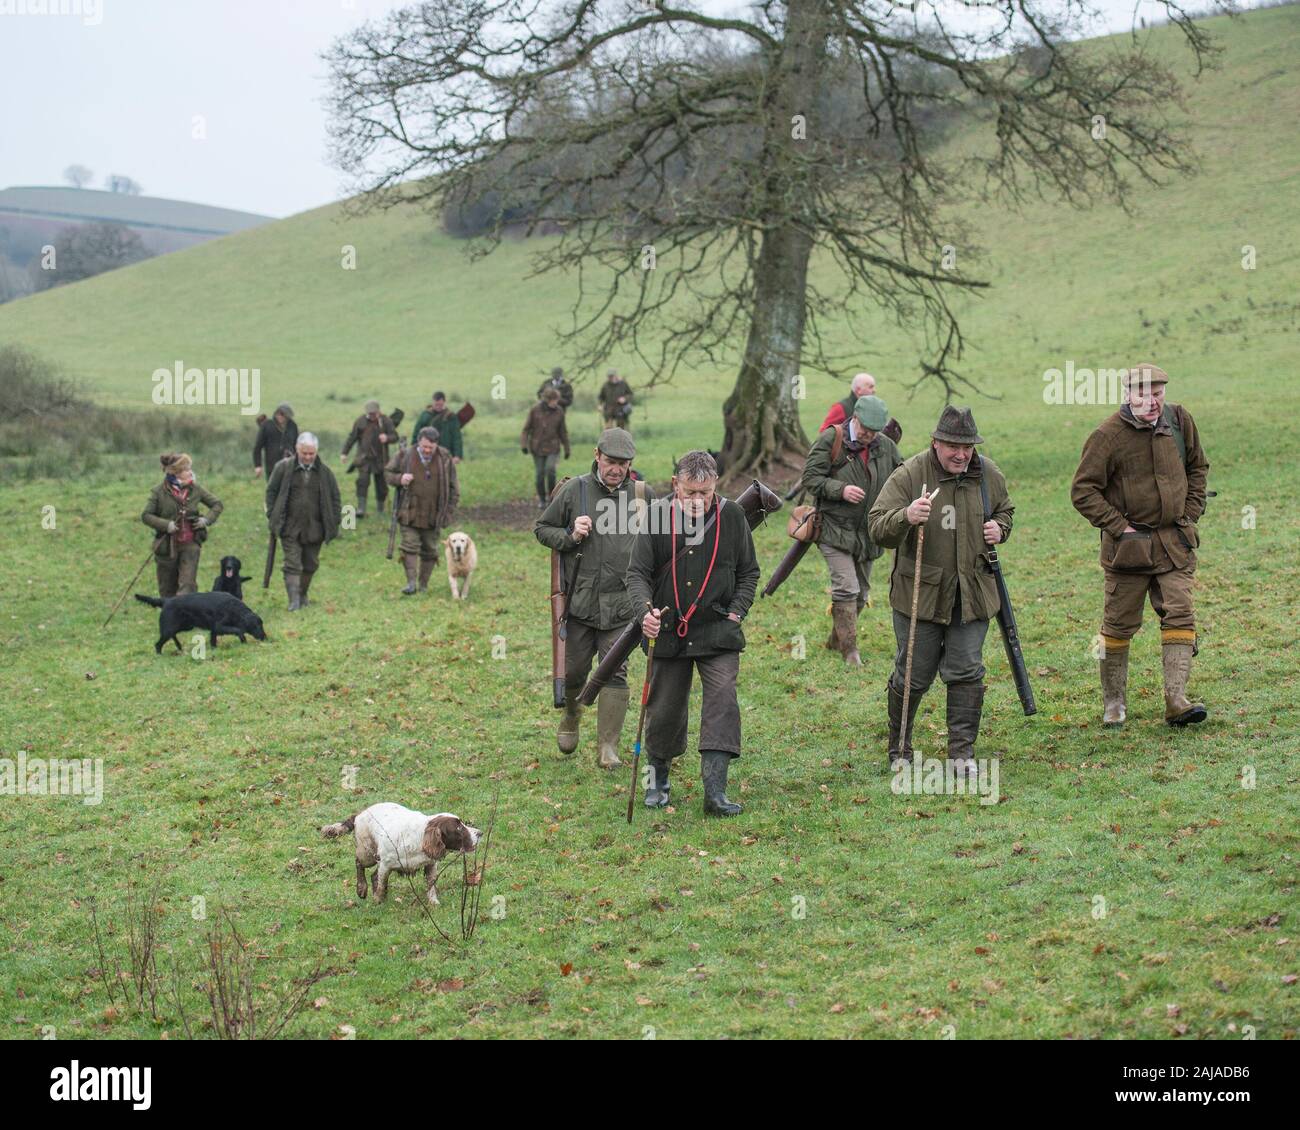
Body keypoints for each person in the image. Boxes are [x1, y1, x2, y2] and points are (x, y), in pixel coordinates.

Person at [868, 407, 1014, 774]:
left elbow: (1005, 510)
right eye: (952, 446)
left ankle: (961, 755)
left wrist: (1000, 528)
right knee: (914, 673)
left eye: (967, 447)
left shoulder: (988, 475)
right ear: (935, 443)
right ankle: (899, 749)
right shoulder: (910, 475)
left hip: (973, 592)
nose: (961, 454)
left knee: (966, 670)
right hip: (921, 594)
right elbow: (876, 526)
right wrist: (905, 517)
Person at [1070, 363, 1210, 727]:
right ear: (1128, 394)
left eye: (1158, 393)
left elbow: (1198, 467)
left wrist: (1189, 513)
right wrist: (1120, 527)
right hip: (1127, 551)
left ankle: (1176, 701)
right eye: (1143, 394)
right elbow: (1082, 490)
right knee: (1117, 626)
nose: (1151, 401)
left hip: (1174, 544)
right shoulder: (1106, 436)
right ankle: (1113, 704)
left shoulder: (1179, 421)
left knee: (1181, 615)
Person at [626, 451, 760, 816]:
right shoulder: (655, 517)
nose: (698, 500)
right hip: (667, 630)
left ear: (715, 485)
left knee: (722, 701)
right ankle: (658, 782)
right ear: (675, 486)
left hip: (718, 629)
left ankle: (715, 792)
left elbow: (749, 571)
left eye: (705, 492)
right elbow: (636, 574)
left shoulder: (732, 516)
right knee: (664, 708)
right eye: (690, 493)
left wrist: (737, 611)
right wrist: (644, 614)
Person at [534, 428, 653, 767]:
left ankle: (608, 747)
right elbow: (542, 529)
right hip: (580, 603)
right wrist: (571, 535)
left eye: (624, 463)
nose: (616, 469)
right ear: (597, 456)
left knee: (614, 671)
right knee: (573, 672)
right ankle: (571, 716)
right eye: (611, 461)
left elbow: (663, 542)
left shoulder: (643, 497)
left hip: (624, 604)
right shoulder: (575, 490)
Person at [799, 395, 903, 665]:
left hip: (869, 533)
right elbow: (810, 479)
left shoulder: (887, 447)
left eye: (874, 431)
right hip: (834, 528)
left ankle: (837, 639)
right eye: (866, 429)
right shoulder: (831, 440)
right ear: (854, 418)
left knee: (861, 595)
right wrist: (840, 489)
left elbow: (901, 478)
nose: (869, 435)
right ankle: (850, 652)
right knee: (846, 587)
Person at [266, 432, 342, 611]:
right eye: (304, 453)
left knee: (310, 564)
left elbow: (335, 497)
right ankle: (293, 601)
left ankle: (302, 594)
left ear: (316, 452)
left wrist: (334, 521)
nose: (308, 457)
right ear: (296, 450)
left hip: (315, 528)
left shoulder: (325, 472)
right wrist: (273, 515)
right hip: (289, 527)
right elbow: (271, 492)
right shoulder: (282, 468)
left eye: (311, 453)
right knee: (292, 564)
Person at [385, 426, 459, 595]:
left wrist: (448, 512)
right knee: (409, 546)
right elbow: (387, 472)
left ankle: (423, 585)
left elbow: (454, 487)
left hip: (434, 513)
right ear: (418, 442)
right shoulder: (404, 455)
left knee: (430, 549)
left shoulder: (445, 457)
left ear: (436, 445)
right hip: (408, 511)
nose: (427, 450)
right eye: (424, 446)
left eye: (430, 448)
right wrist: (399, 478)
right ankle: (411, 584)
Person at [142, 452, 223, 598]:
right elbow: (146, 516)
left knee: (187, 586)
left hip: (191, 544)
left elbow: (217, 504)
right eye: (186, 469)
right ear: (176, 473)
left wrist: (206, 520)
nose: (190, 472)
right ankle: (171, 617)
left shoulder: (196, 489)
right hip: (166, 547)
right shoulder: (158, 492)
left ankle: (186, 616)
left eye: (189, 468)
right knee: (167, 590)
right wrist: (166, 525)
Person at [341, 399, 396, 518]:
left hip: (381, 459)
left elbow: (395, 436)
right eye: (369, 414)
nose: (372, 416)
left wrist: (387, 438)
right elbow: (352, 437)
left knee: (381, 485)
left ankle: (380, 509)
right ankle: (361, 509)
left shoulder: (386, 421)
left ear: (379, 411)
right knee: (362, 482)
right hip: (364, 459)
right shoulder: (360, 421)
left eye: (374, 413)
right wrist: (344, 453)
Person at [820, 372, 903, 444]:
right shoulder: (840, 408)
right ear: (858, 389)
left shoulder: (874, 409)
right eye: (870, 387)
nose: (874, 390)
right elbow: (824, 433)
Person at [522, 387, 571, 507]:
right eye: (553, 400)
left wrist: (567, 448)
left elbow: (563, 431)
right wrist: (524, 444)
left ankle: (552, 497)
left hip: (553, 447)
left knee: (550, 470)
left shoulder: (559, 411)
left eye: (557, 400)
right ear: (547, 400)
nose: (556, 403)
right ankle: (542, 499)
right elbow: (526, 429)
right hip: (537, 447)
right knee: (539, 474)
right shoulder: (535, 410)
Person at [410, 392, 463, 462]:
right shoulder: (425, 415)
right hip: (427, 452)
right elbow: (417, 434)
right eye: (436, 404)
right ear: (433, 402)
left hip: (446, 453)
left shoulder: (451, 417)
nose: (438, 407)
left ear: (444, 402)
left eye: (440, 405)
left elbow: (456, 437)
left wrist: (457, 455)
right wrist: (413, 451)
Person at [253, 403, 298, 479]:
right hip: (272, 465)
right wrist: (258, 466)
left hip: (290, 464)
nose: (280, 416)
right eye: (279, 413)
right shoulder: (267, 426)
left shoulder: (292, 426)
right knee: (273, 489)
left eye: (283, 414)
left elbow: (297, 445)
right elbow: (258, 447)